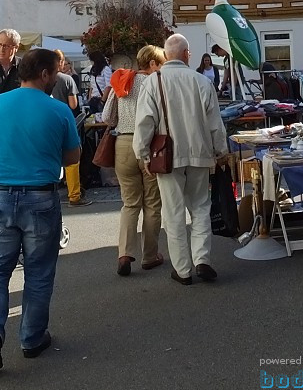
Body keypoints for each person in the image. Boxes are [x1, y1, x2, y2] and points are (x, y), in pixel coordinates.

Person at [0, 48, 80, 371]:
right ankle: (32, 338)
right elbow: (73, 157)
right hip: (40, 196)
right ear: (46, 74)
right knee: (38, 271)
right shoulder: (59, 110)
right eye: (56, 72)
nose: (57, 78)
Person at [134, 34, 229, 286]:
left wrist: (143, 154)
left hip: (167, 156)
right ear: (187, 54)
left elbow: (144, 122)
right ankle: (202, 260)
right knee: (200, 208)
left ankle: (183, 270)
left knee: (173, 213)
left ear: (165, 55)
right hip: (200, 152)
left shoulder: (153, 82)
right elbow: (215, 124)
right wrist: (221, 151)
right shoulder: (201, 81)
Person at [103, 45, 166, 277]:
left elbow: (107, 117)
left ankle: (124, 254)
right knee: (152, 204)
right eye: (160, 63)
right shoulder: (155, 84)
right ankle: (150, 256)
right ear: (152, 64)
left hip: (123, 145)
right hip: (150, 145)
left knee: (130, 204)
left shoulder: (122, 79)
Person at [50, 49, 89, 207]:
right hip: (66, 121)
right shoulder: (67, 79)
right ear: (61, 62)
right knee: (72, 159)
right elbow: (73, 104)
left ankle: (50, 192)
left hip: (48, 123)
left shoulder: (42, 79)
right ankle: (74, 196)